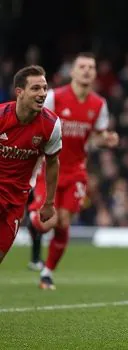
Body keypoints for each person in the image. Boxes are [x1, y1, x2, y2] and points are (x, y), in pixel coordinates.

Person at [26, 53, 119, 290]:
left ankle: (47, 273)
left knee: (64, 222)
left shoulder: (99, 104)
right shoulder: (55, 98)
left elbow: (96, 138)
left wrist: (106, 140)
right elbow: (38, 127)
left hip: (77, 170)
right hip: (51, 168)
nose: (87, 70)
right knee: (48, 222)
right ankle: (34, 230)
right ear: (73, 72)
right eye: (82, 66)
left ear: (95, 73)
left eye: (91, 67)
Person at [0, 65, 62, 264]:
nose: (42, 93)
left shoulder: (51, 125)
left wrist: (49, 203)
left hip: (16, 200)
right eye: (35, 88)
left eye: (44, 88)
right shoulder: (1, 117)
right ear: (19, 92)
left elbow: (53, 162)